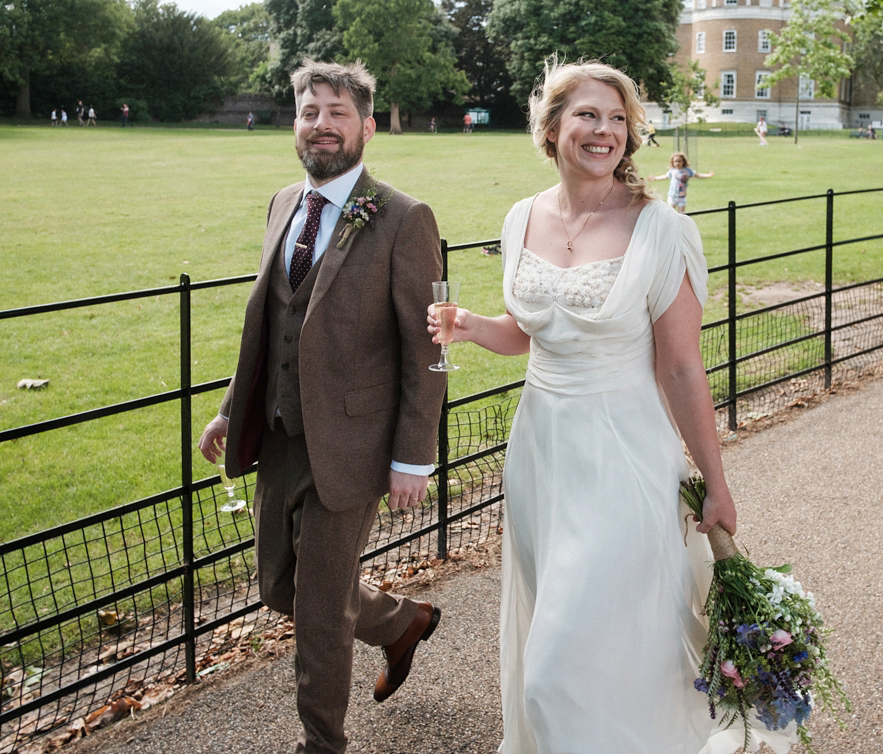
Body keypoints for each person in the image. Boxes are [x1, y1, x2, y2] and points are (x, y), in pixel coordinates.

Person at [429, 58, 774, 754]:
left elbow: (680, 366)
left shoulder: (662, 231)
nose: (605, 131)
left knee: (553, 673)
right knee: (590, 645)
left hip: (625, 457)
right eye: (589, 115)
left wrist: (717, 480)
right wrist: (467, 326)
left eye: (619, 119)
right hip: (541, 456)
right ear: (552, 128)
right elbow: (526, 333)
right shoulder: (520, 217)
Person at [197, 59, 446, 754]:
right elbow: (266, 321)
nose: (322, 125)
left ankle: (322, 744)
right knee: (280, 587)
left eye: (338, 113)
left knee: (318, 616)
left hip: (355, 448)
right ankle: (400, 624)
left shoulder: (404, 218)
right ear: (295, 125)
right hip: (279, 437)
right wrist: (230, 410)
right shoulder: (283, 203)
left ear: (366, 127)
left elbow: (427, 350)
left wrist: (412, 456)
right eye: (311, 112)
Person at [647, 152, 714, 213]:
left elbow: (697, 175)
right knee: (670, 214)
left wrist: (708, 175)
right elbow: (665, 176)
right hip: (672, 196)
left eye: (679, 161)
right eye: (675, 161)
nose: (677, 163)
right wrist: (655, 178)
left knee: (681, 215)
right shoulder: (672, 171)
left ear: (683, 162)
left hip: (682, 197)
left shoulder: (687, 171)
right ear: (672, 162)